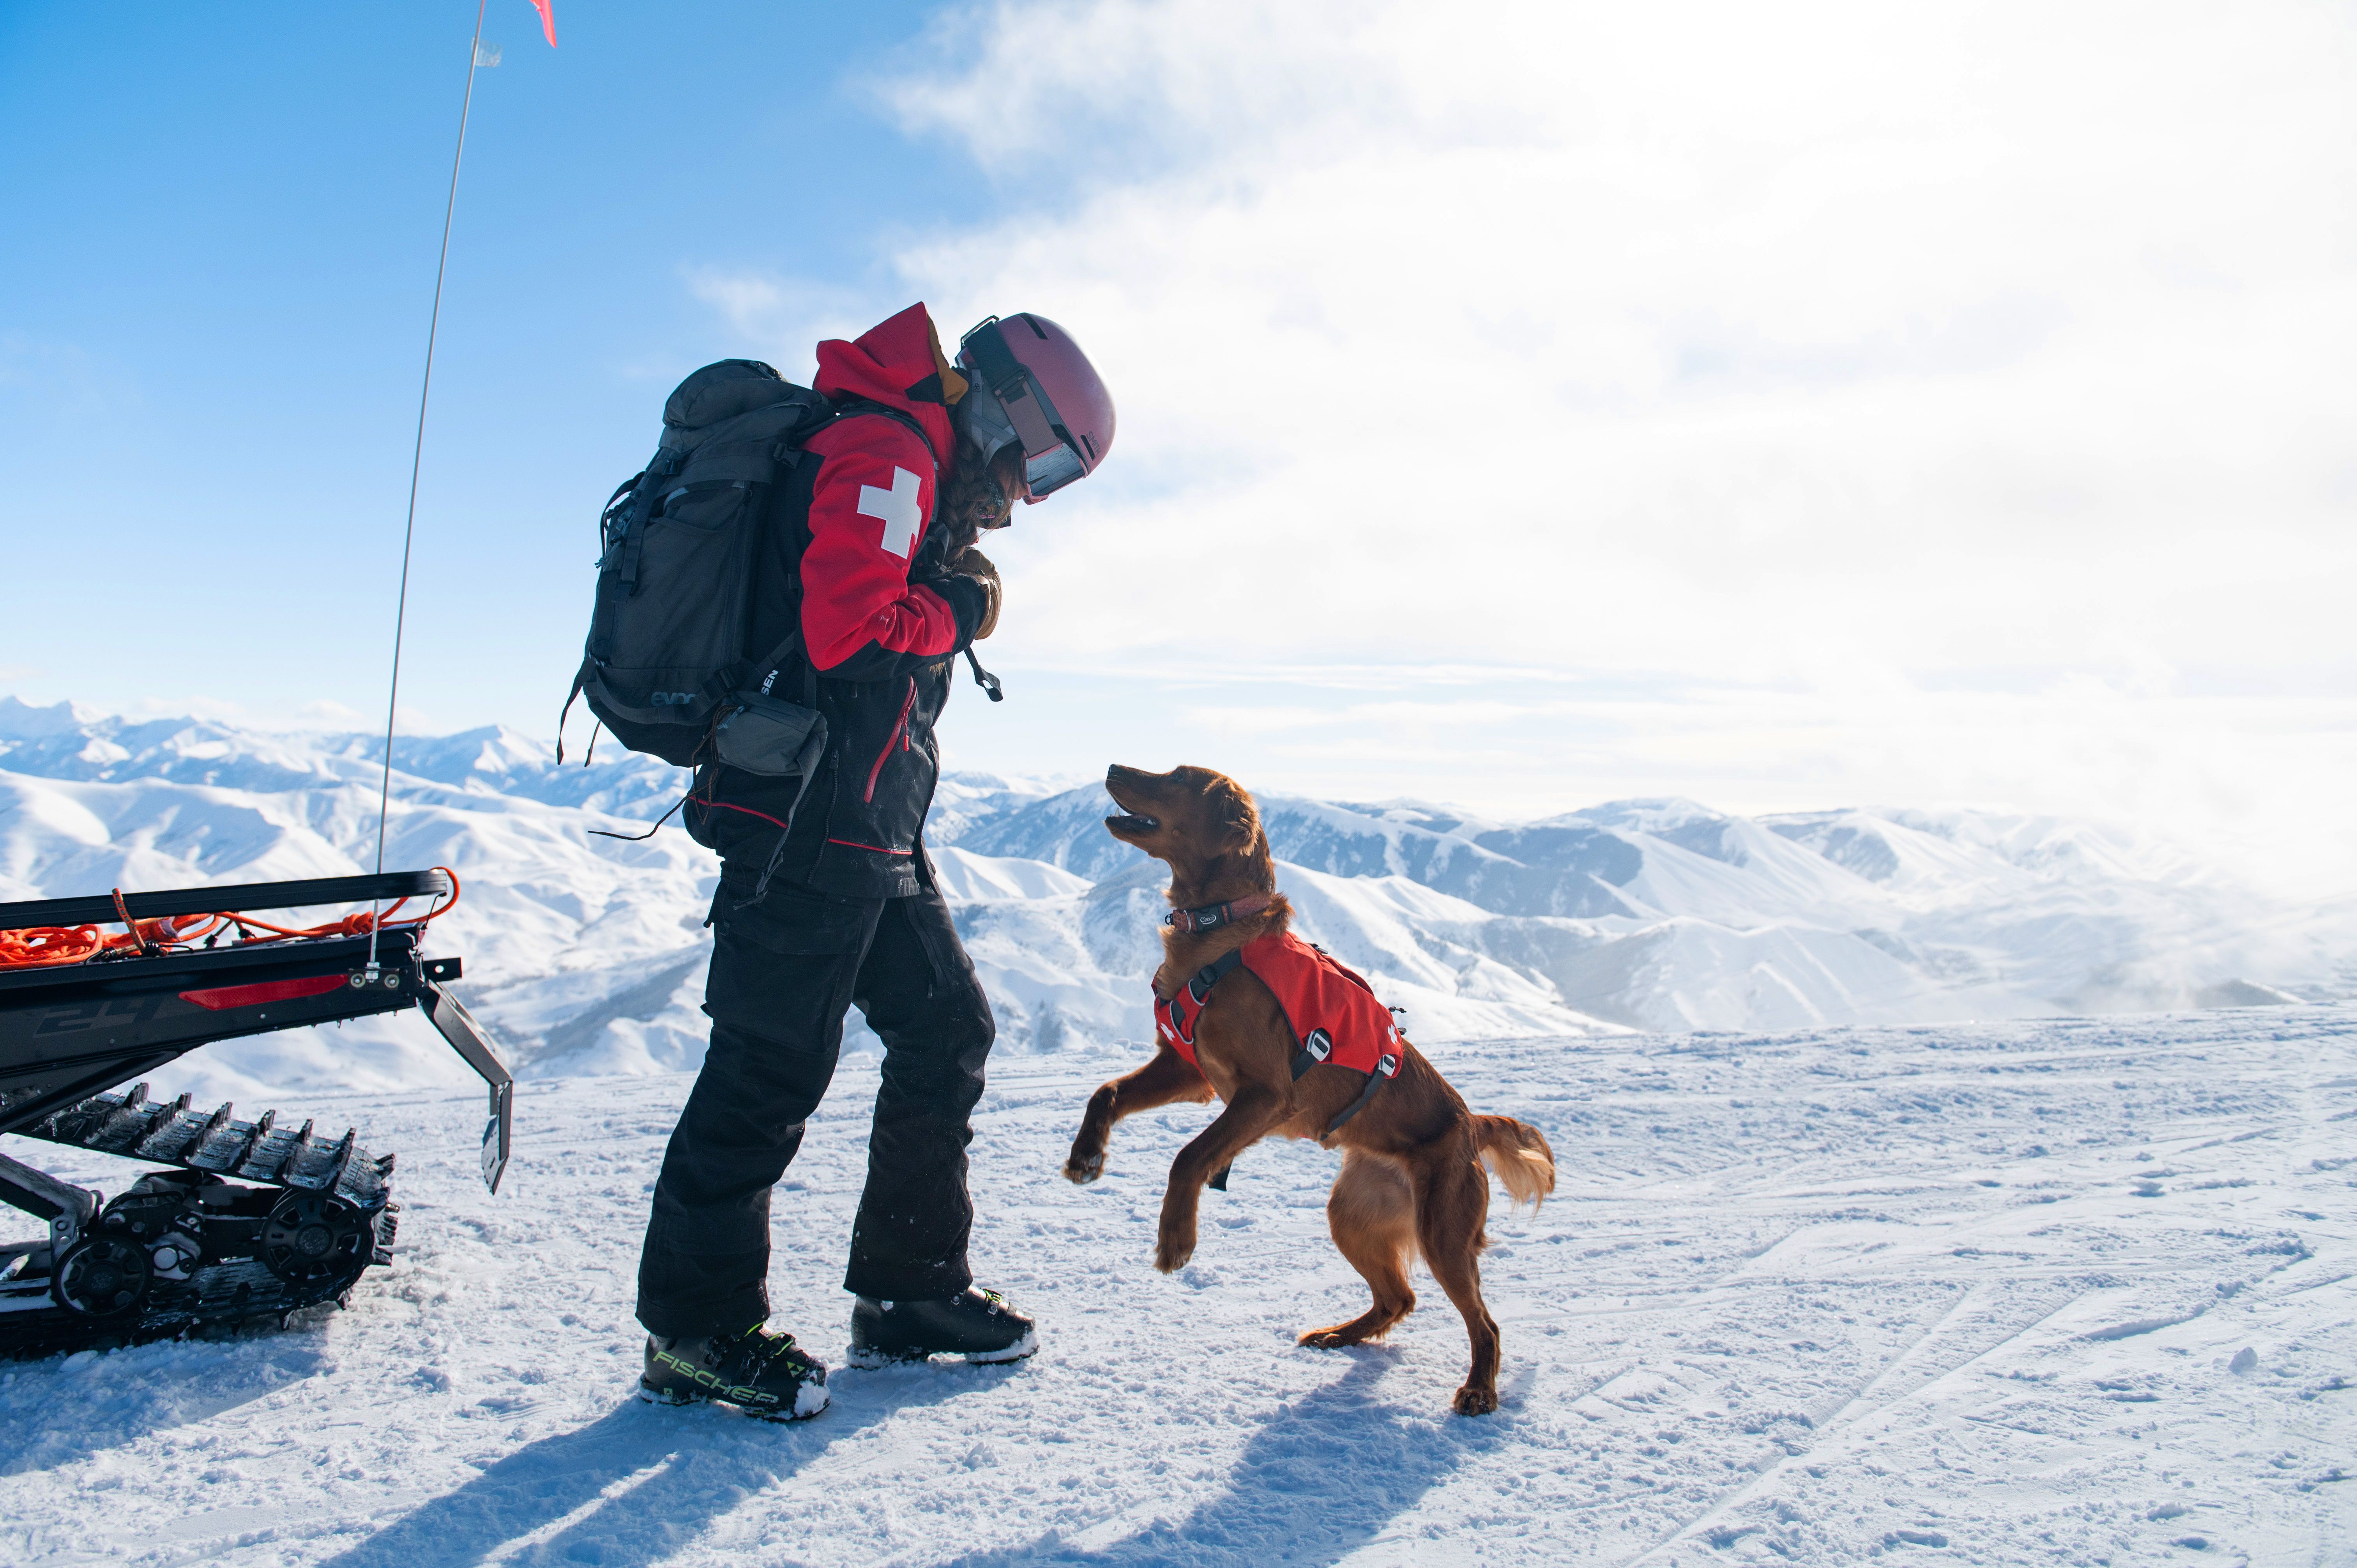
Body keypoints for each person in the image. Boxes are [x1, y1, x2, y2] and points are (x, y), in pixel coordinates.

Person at [634, 303, 1115, 1421]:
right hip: (808, 825)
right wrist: (956, 608)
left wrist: (944, 587)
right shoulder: (887, 451)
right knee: (767, 1070)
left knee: (946, 1031)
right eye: (1042, 462)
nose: (1030, 494)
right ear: (1005, 409)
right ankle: (695, 1334)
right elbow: (847, 631)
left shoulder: (910, 460)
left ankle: (908, 1292)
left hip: (866, 822)